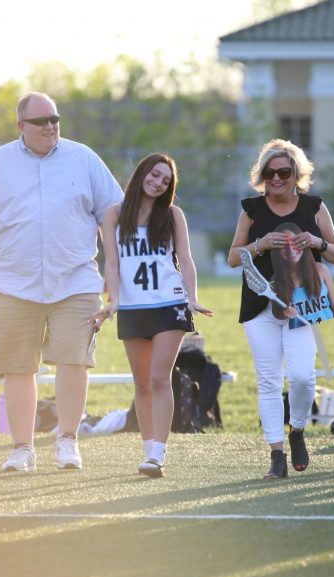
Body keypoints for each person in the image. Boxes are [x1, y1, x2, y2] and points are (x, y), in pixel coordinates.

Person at [0, 91, 124, 472]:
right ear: (21, 126)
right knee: (18, 368)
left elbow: (110, 218)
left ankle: (67, 441)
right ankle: (22, 448)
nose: (50, 127)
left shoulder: (84, 159)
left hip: (76, 280)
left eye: (55, 119)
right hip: (10, 284)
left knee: (74, 361)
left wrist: (113, 274)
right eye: (41, 121)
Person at [89, 153, 212, 478]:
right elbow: (112, 263)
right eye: (155, 175)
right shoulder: (114, 214)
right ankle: (148, 453)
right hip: (132, 307)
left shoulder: (172, 215)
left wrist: (192, 297)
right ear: (143, 173)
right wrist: (112, 301)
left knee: (159, 377)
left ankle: (159, 454)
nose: (158, 183)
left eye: (166, 180)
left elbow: (185, 261)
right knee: (142, 383)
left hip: (168, 304)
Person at [227, 139, 334, 479]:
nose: (276, 178)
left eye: (283, 172)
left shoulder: (314, 207)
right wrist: (259, 245)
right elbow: (234, 258)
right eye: (269, 172)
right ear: (261, 175)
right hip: (259, 304)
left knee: (304, 378)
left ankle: (297, 430)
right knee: (268, 381)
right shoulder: (251, 209)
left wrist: (317, 242)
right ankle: (276, 455)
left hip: (301, 304)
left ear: (297, 174)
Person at [271, 221, 334, 329]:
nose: (290, 249)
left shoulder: (322, 270)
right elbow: (277, 316)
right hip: (301, 338)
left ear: (303, 243)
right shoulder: (276, 281)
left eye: (295, 242)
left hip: (328, 332)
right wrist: (284, 313)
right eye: (284, 245)